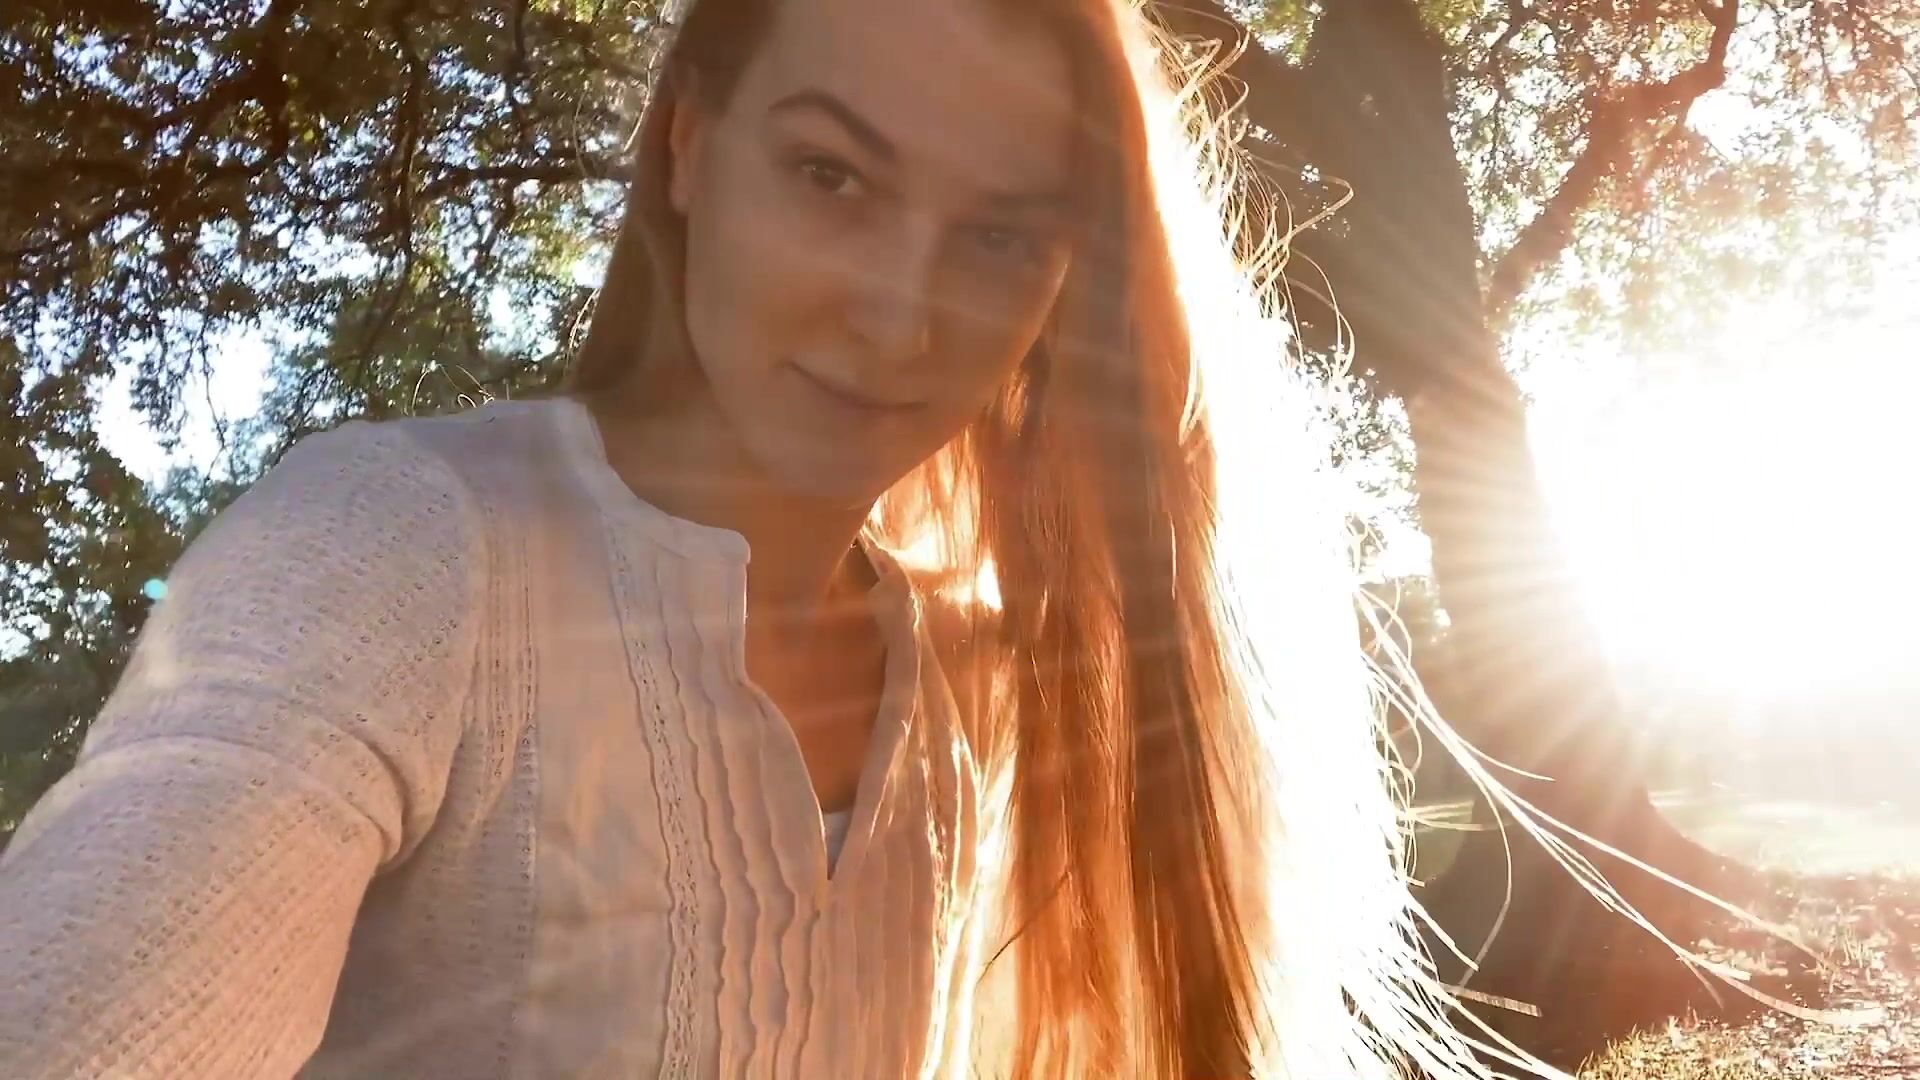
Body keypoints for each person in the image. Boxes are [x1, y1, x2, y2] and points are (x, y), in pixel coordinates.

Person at [0, 0, 1524, 1076]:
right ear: (686, 147)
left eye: (1001, 235)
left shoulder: (1010, 705)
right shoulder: (402, 547)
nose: (899, 316)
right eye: (831, 176)